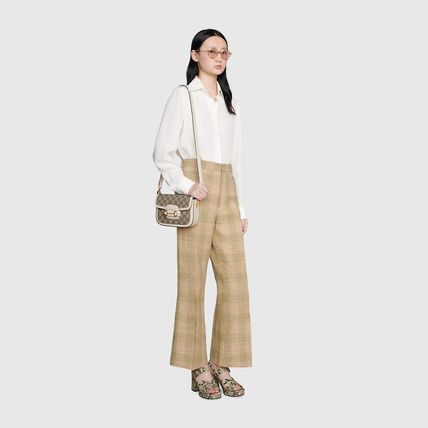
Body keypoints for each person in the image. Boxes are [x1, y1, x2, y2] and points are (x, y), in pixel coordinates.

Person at [152, 29, 252, 400]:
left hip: (226, 191)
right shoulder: (183, 96)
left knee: (234, 283)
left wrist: (240, 208)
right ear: (195, 55)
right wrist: (185, 184)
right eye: (212, 51)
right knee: (192, 283)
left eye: (224, 52)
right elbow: (163, 152)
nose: (219, 57)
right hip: (197, 191)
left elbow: (236, 162)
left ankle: (222, 363)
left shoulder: (230, 101)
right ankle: (198, 367)